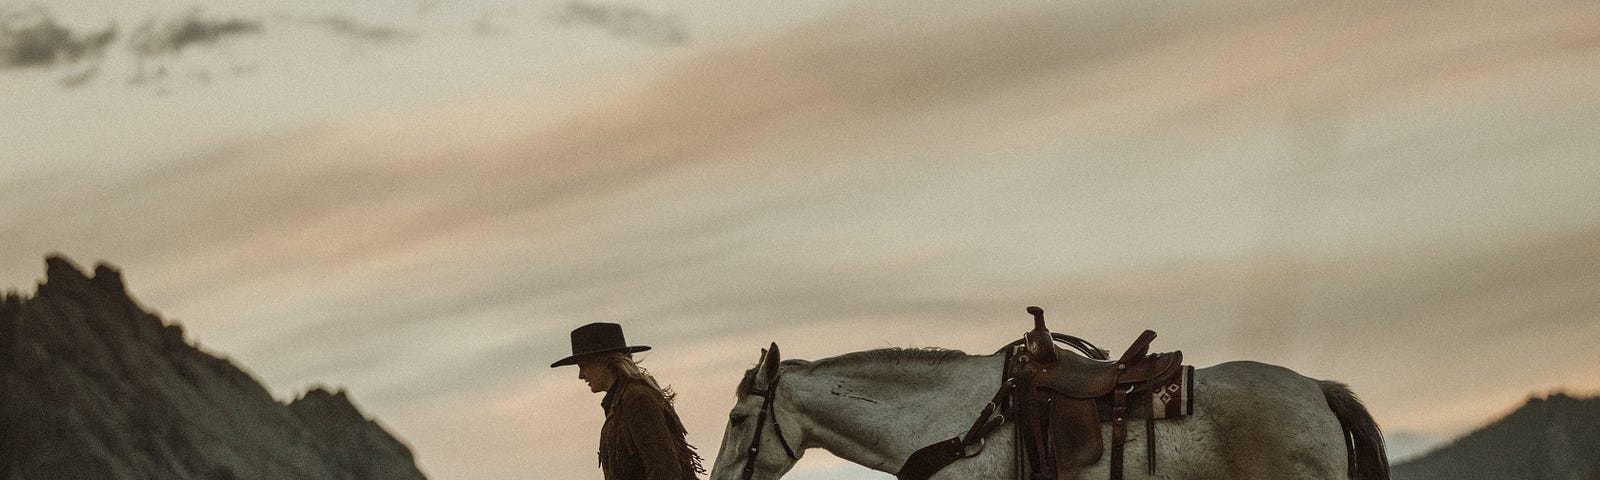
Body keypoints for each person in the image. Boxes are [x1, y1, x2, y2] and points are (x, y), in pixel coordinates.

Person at [551, 322, 704, 480]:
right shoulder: (623, 402)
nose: (581, 375)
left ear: (607, 362)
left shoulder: (637, 400)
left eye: (584, 366)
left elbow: (664, 470)